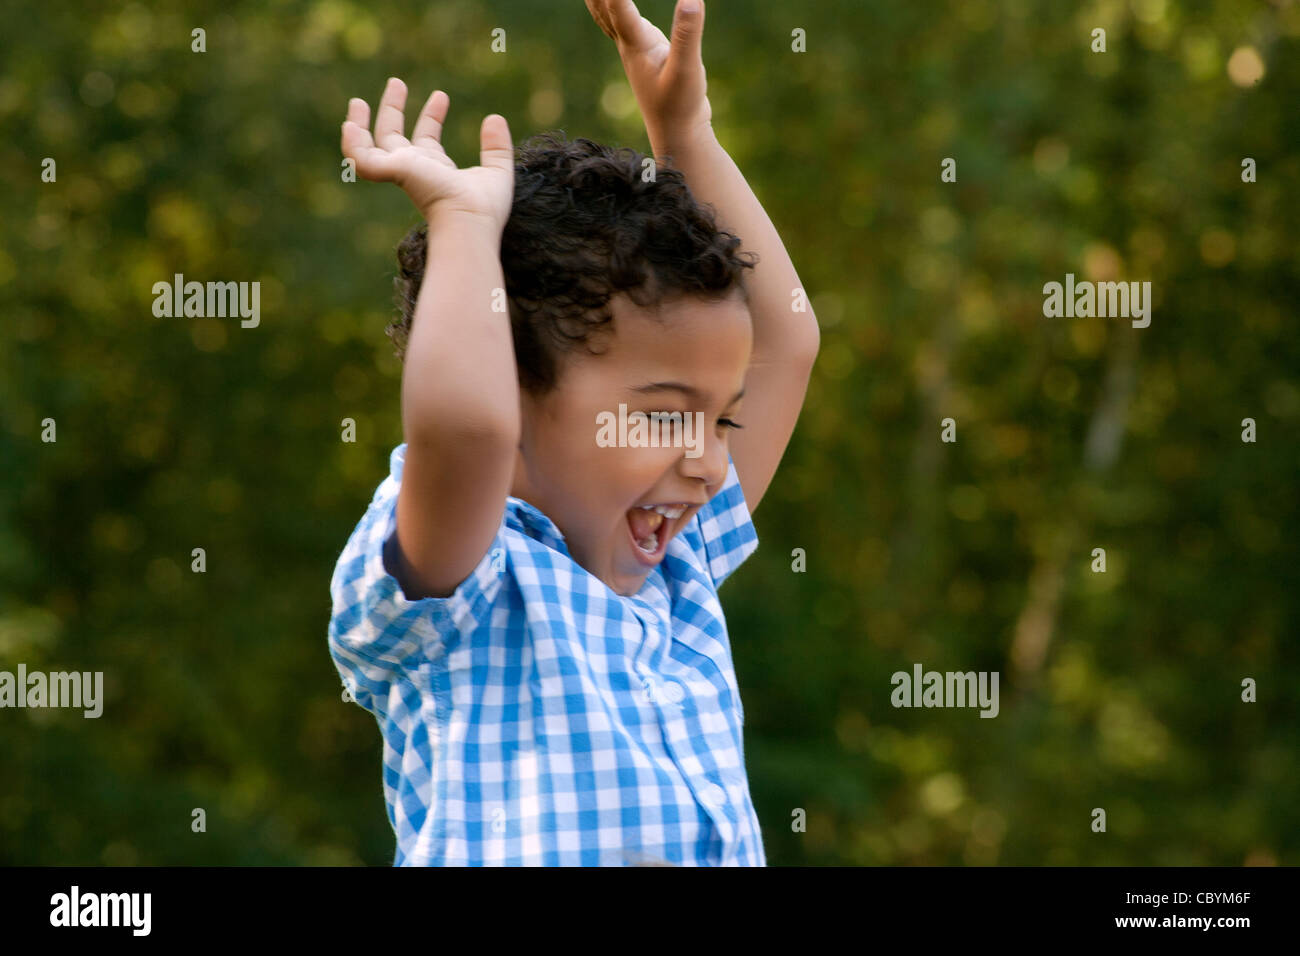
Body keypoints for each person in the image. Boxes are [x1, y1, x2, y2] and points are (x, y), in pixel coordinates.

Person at [329, 0, 818, 865]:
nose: (708, 463)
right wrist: (466, 227)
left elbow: (789, 339)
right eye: (667, 413)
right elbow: (467, 432)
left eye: (722, 417)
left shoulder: (677, 572)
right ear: (515, 396)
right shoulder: (467, 583)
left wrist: (686, 133)